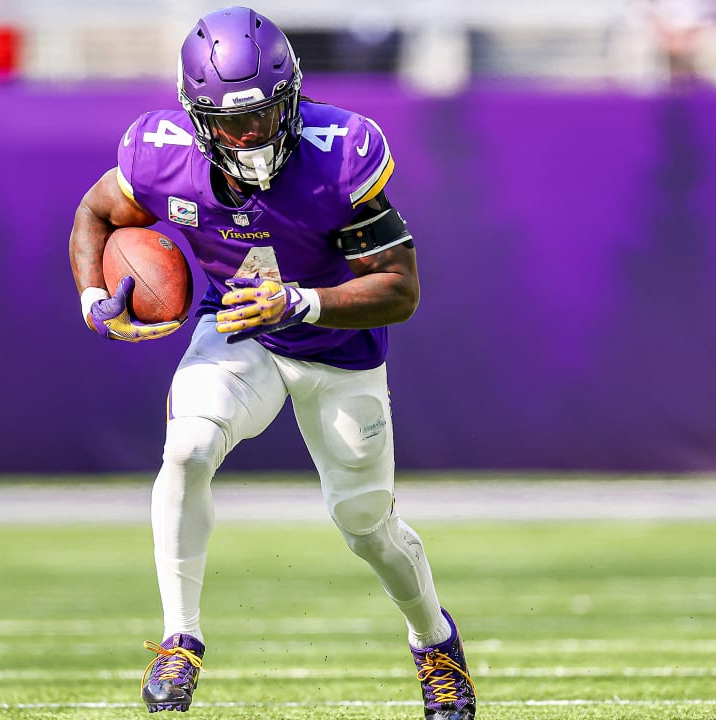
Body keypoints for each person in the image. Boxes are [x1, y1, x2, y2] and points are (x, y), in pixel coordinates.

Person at [68, 6, 476, 718]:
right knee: (188, 447)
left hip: (335, 350)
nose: (250, 137)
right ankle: (179, 638)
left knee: (366, 526)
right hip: (240, 332)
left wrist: (303, 302)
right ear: (196, 117)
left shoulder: (336, 151)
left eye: (262, 116)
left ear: (292, 100)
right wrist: (95, 297)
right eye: (231, 122)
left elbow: (401, 288)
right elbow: (97, 213)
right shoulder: (160, 153)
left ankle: (434, 642)